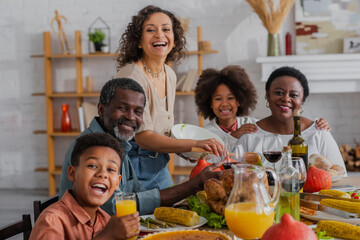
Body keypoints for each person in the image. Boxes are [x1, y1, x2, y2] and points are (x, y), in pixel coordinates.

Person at [59, 78, 223, 216]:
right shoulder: (91, 147)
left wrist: (180, 203)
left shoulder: (118, 145)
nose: (131, 117)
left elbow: (138, 193)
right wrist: (194, 184)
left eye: (138, 112)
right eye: (122, 108)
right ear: (102, 109)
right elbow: (113, 208)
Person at [114, 5, 222, 190]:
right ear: (139, 41)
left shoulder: (169, 74)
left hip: (158, 163)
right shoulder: (131, 76)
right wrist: (193, 143)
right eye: (150, 30)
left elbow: (162, 129)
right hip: (130, 166)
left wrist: (189, 151)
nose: (159, 35)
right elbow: (143, 137)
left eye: (166, 29)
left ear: (174, 39)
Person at [195, 65, 331, 153]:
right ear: (209, 103)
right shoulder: (205, 133)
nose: (224, 104)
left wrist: (317, 124)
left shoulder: (252, 126)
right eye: (218, 99)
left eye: (230, 98)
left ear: (240, 101)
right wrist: (233, 137)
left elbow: (272, 126)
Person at [31, 133, 140, 240]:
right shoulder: (52, 221)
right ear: (72, 173)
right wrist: (106, 236)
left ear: (117, 183)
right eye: (92, 165)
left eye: (111, 169)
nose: (103, 174)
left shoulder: (105, 219)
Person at [237, 66, 346, 173]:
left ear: (302, 99)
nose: (286, 98)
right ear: (268, 95)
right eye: (279, 93)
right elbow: (233, 178)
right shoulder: (249, 135)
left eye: (293, 95)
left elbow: (340, 176)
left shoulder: (319, 133)